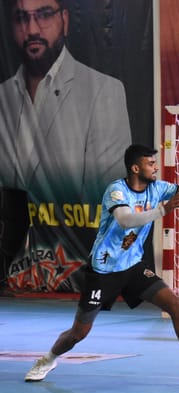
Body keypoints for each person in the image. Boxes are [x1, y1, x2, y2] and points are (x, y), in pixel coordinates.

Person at [24, 143, 179, 387]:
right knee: (79, 332)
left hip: (133, 266)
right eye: (150, 164)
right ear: (135, 168)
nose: (156, 167)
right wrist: (162, 210)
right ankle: (47, 359)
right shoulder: (116, 190)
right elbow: (125, 220)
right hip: (103, 270)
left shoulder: (158, 188)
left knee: (175, 304)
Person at [0, 0, 131, 292]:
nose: (32, 29)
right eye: (21, 18)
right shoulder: (3, 96)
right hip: (14, 261)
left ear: (65, 20)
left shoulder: (104, 91)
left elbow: (105, 192)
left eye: (44, 15)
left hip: (76, 258)